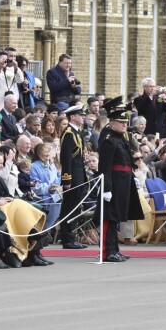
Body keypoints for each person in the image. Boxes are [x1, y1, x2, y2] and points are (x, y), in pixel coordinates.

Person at [97, 104, 143, 262]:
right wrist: (107, 188)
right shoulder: (109, 139)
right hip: (114, 182)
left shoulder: (119, 137)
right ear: (112, 123)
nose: (125, 125)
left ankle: (115, 249)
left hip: (123, 180)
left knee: (116, 217)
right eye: (121, 122)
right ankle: (107, 251)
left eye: (126, 122)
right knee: (109, 217)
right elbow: (105, 166)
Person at [58, 104, 88, 249]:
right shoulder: (69, 133)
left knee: (75, 208)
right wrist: (67, 178)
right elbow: (66, 158)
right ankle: (67, 239)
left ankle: (72, 237)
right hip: (73, 176)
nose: (83, 117)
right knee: (69, 207)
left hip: (79, 174)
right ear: (72, 117)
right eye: (80, 115)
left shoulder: (77, 132)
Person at [30, 142, 62, 230]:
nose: (47, 154)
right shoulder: (34, 166)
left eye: (48, 151)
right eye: (44, 152)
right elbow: (35, 186)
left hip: (55, 194)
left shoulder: (52, 165)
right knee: (58, 201)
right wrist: (49, 188)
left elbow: (57, 179)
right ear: (39, 154)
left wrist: (56, 185)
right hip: (42, 197)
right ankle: (46, 229)